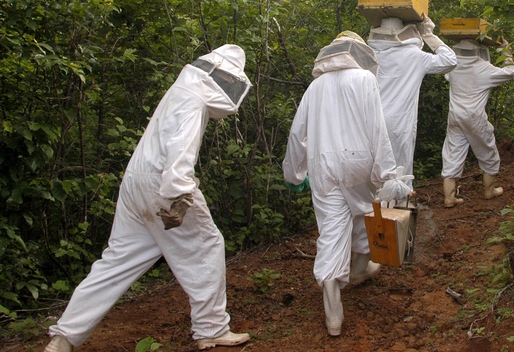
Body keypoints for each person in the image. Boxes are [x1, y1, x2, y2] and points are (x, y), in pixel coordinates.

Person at [45, 45, 253, 352]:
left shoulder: (179, 92)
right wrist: (181, 196)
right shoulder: (194, 101)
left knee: (117, 261)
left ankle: (63, 337)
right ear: (221, 78)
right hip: (163, 183)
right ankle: (211, 328)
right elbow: (180, 152)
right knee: (208, 246)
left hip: (136, 180)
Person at [282, 31, 412, 337]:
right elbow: (377, 129)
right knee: (368, 217)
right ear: (359, 53)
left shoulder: (315, 87)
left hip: (322, 167)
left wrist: (294, 173)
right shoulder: (365, 80)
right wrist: (388, 174)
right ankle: (356, 271)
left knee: (331, 233)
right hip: (358, 164)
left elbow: (296, 133)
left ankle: (334, 316)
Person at [367, 16, 457, 181]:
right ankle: (399, 203)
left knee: (373, 170)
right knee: (399, 170)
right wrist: (429, 34)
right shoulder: (414, 55)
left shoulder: (370, 54)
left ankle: (377, 205)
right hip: (398, 122)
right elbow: (450, 61)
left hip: (369, 119)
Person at [441, 38, 514, 208]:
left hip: (455, 116)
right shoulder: (484, 68)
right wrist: (505, 49)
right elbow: (510, 71)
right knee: (487, 151)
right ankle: (490, 191)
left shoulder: (453, 67)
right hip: (474, 117)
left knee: (453, 152)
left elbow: (447, 75)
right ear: (478, 51)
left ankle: (449, 197)